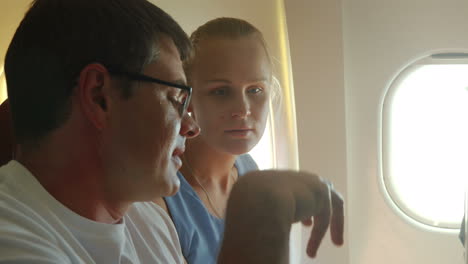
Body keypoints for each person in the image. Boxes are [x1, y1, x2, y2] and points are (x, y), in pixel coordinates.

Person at [0, 0, 344, 263]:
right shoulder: (13, 239)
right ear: (99, 96)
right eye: (177, 98)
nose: (192, 126)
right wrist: (257, 222)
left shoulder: (146, 222)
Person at [161, 17, 278, 263]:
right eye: (221, 91)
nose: (243, 109)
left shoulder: (249, 172)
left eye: (255, 90)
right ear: (188, 98)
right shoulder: (163, 195)